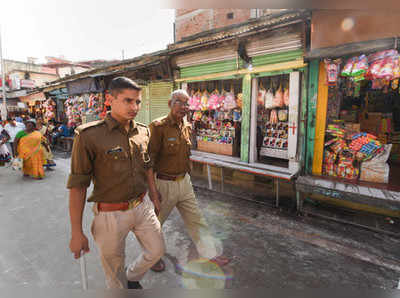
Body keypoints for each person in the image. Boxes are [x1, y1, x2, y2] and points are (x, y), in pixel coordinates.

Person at [67, 77, 164, 289]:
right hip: (110, 215)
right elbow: (78, 185)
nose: (135, 107)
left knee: (156, 251)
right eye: (128, 101)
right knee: (114, 274)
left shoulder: (143, 132)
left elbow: (148, 167)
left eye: (138, 102)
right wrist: (76, 231)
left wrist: (154, 197)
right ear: (110, 99)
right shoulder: (88, 136)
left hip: (142, 205)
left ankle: (133, 276)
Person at [148, 89, 230, 273]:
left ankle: (210, 254)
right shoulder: (158, 127)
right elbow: (149, 161)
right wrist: (152, 190)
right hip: (164, 183)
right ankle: (151, 257)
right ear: (170, 103)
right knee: (155, 224)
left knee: (196, 219)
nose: (184, 107)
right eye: (179, 102)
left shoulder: (186, 125)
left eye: (187, 104)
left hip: (184, 182)